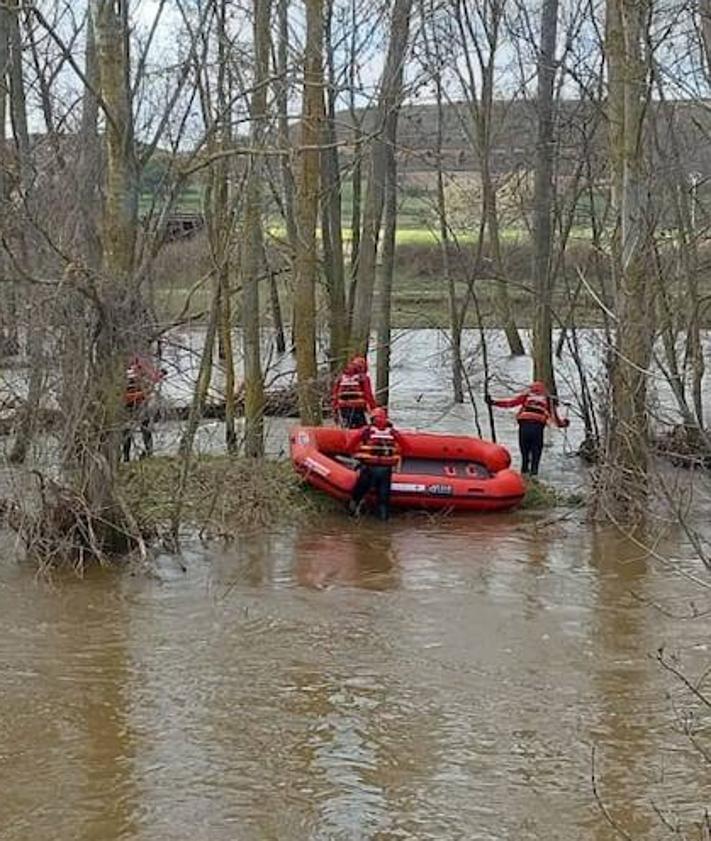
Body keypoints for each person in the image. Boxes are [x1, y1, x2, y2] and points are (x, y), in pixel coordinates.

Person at [486, 380, 569, 477]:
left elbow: (510, 403)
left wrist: (493, 402)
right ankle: (534, 475)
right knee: (536, 455)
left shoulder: (526, 397)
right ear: (544, 391)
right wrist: (565, 423)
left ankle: (523, 476)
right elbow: (556, 420)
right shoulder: (548, 400)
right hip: (537, 428)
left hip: (524, 427)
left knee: (525, 455)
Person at [347, 406, 404, 521]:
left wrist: (358, 453)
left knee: (358, 494)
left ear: (372, 419)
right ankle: (383, 524)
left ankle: (352, 515)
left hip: (369, 468)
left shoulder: (366, 431)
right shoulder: (393, 432)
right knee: (383, 500)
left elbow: (349, 446)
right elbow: (407, 447)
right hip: (385, 471)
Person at [122, 354, 166, 462]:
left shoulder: (141, 370)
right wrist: (143, 393)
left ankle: (148, 452)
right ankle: (126, 457)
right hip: (129, 406)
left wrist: (160, 375)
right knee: (128, 432)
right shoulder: (126, 380)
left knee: (144, 429)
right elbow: (125, 396)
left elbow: (152, 379)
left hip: (139, 404)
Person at [331, 355, 377, 428]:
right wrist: (375, 410)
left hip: (343, 407)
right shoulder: (363, 378)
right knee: (361, 428)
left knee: (347, 426)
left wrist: (335, 409)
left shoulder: (341, 377)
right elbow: (368, 395)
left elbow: (335, 394)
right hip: (357, 408)